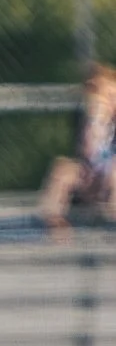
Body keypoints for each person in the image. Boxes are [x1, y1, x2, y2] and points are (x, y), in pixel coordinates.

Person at [38, 61, 116, 238]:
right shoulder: (87, 120)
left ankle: (112, 228)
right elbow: (87, 153)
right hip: (92, 175)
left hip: (111, 175)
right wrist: (96, 122)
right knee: (63, 169)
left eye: (110, 95)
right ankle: (55, 228)